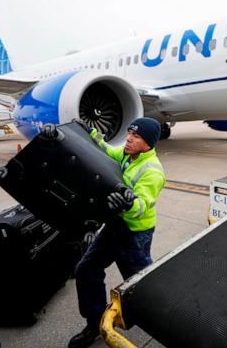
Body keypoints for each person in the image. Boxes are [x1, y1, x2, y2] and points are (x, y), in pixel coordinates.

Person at [61, 117, 166, 348]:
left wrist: (129, 204)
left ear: (148, 142)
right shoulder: (127, 154)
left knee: (138, 284)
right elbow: (107, 150)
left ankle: (164, 323)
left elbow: (142, 205)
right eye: (129, 132)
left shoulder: (153, 171)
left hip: (135, 233)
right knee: (86, 269)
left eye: (136, 136)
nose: (129, 138)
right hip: (114, 225)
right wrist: (89, 132)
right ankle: (95, 322)